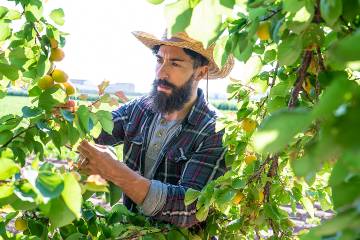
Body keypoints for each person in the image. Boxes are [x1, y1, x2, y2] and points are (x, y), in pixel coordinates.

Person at [77, 30, 234, 228]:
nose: (161, 72)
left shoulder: (214, 131)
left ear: (201, 72)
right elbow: (94, 132)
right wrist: (69, 118)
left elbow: (191, 209)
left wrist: (115, 172)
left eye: (175, 63)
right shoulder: (141, 108)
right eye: (160, 60)